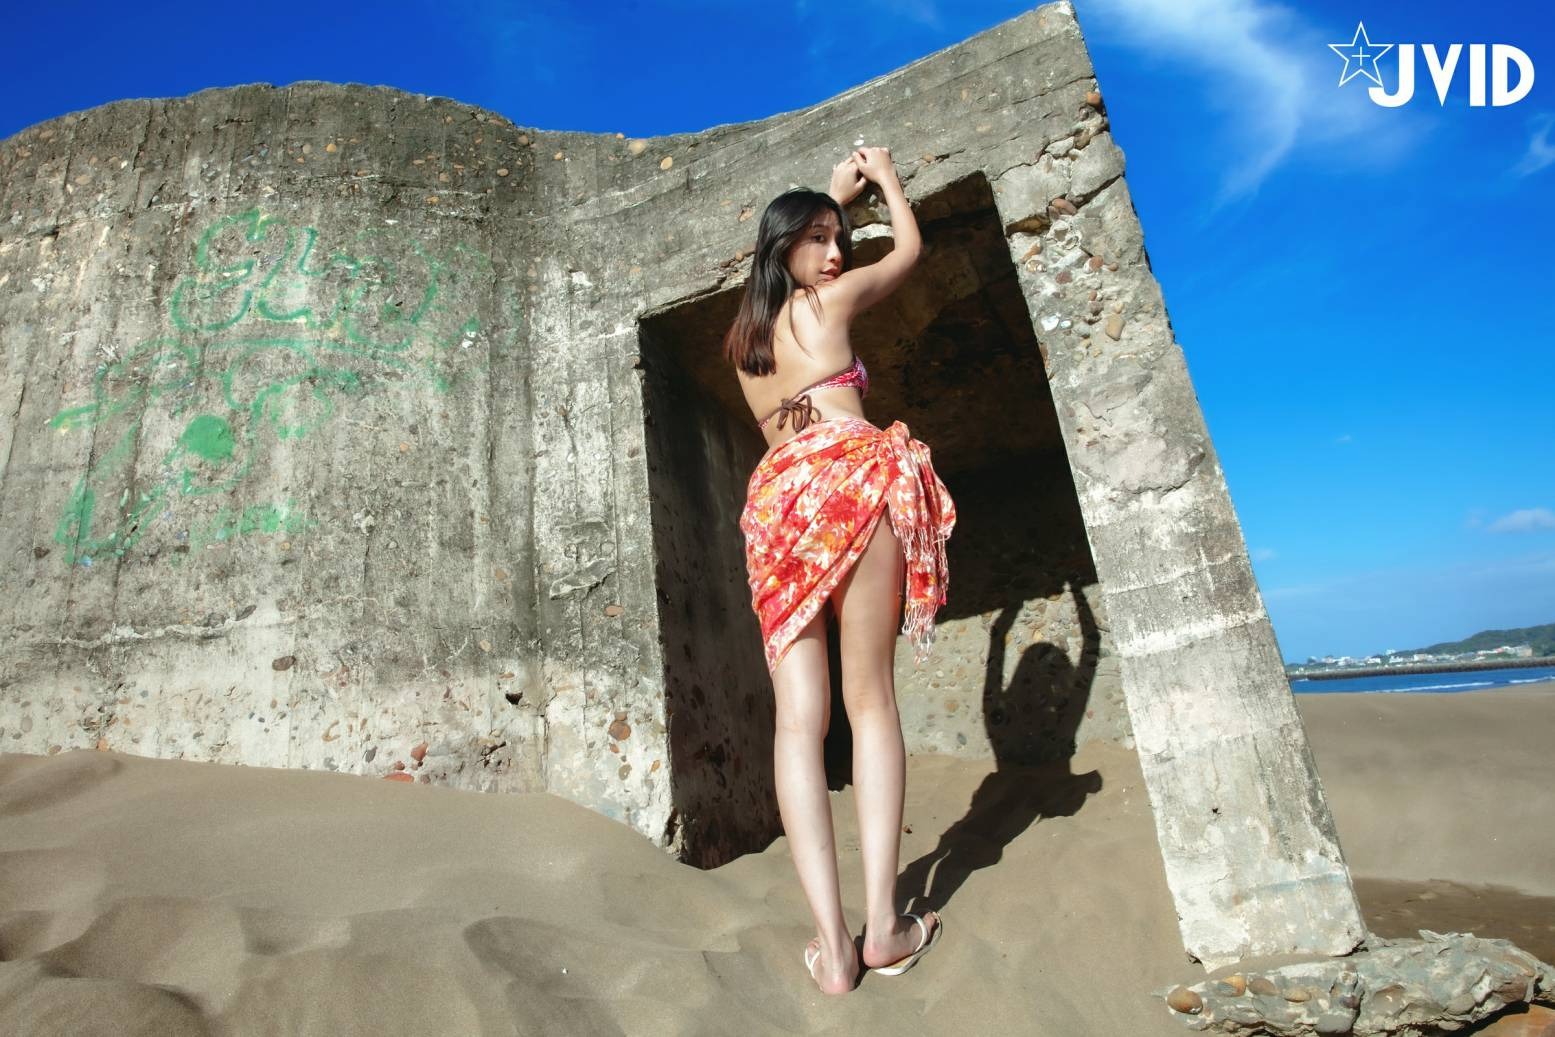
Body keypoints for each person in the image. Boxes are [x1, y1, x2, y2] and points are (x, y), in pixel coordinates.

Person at [724, 146, 956, 995]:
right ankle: (884, 926)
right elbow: (908, 252)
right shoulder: (831, 299)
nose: (834, 252)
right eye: (818, 239)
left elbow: (791, 256)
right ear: (785, 246)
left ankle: (832, 950)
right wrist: (884, 181)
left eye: (837, 238)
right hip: (849, 478)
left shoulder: (745, 340)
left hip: (776, 503)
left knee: (797, 720)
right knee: (869, 701)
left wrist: (824, 202)